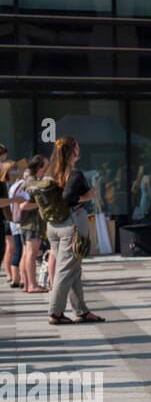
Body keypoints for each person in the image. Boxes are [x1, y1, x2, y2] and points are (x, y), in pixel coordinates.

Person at [36, 137, 106, 326]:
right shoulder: (74, 174)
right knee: (66, 270)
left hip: (54, 226)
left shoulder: (50, 173)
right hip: (71, 224)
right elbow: (68, 198)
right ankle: (55, 312)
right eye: (77, 145)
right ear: (73, 151)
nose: (79, 148)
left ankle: (81, 311)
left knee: (73, 269)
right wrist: (87, 196)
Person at [14, 156, 47, 293]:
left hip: (26, 224)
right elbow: (24, 205)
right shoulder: (32, 183)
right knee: (31, 255)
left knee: (27, 254)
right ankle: (32, 285)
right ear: (40, 167)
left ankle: (27, 284)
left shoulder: (28, 181)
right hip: (32, 224)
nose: (47, 168)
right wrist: (42, 204)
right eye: (46, 165)